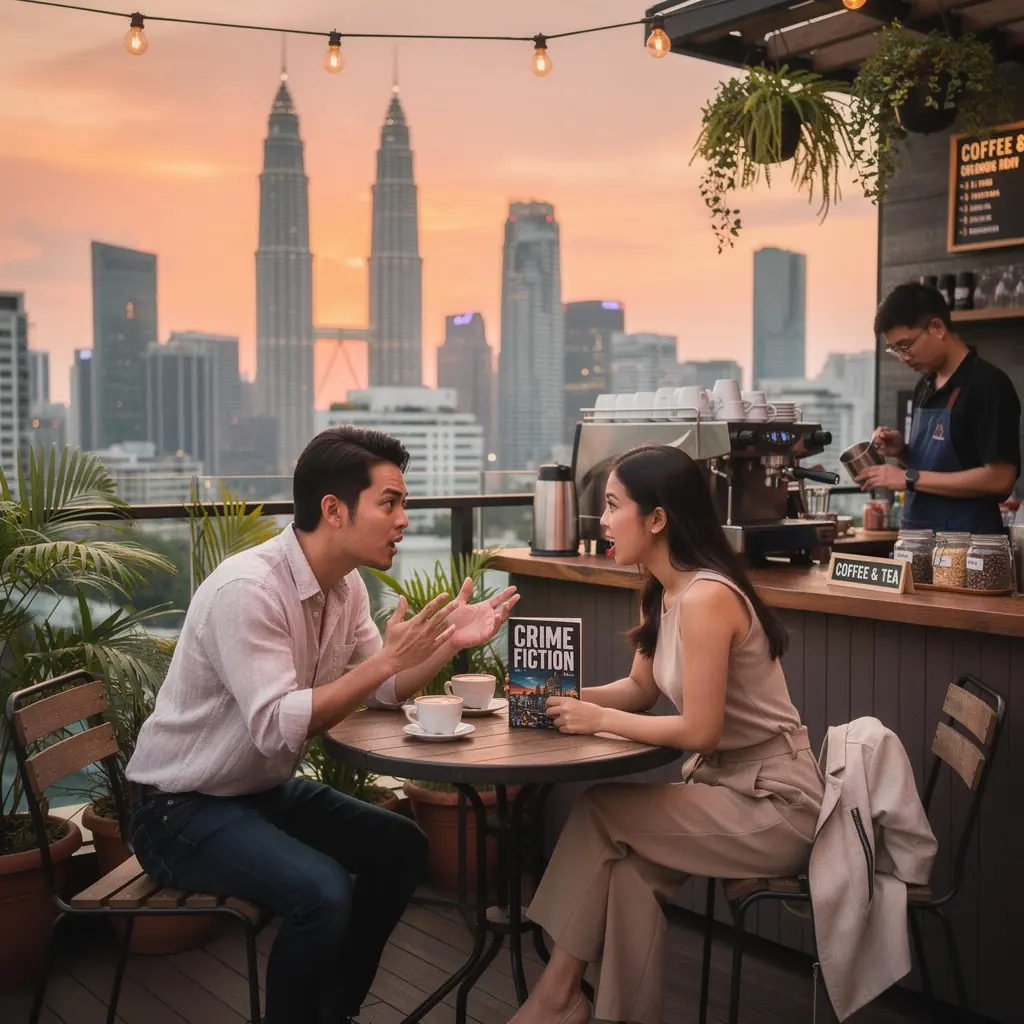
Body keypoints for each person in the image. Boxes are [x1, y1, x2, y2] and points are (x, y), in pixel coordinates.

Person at [126, 426, 518, 1024]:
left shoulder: (345, 587)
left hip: (256, 794)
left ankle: (334, 1010)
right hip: (177, 811)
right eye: (390, 503)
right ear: (334, 510)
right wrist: (389, 659)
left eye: (404, 504)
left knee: (402, 846)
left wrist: (445, 645)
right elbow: (277, 726)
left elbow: (382, 689)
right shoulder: (249, 590)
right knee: (322, 892)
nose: (403, 519)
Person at [509, 444, 824, 1024]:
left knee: (602, 810)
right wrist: (562, 697)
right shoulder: (663, 587)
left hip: (776, 805)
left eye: (611, 506)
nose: (601, 521)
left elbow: (701, 730)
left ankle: (555, 998)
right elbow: (638, 690)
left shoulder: (707, 598)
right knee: (627, 874)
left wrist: (597, 721)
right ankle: (591, 1008)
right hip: (723, 793)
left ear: (657, 519)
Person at [857, 282, 1021, 532]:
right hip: (916, 540)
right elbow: (940, 465)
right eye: (895, 350)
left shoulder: (988, 385)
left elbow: (1000, 478)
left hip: (968, 547)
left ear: (937, 327)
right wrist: (902, 451)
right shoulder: (925, 385)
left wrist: (908, 478)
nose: (903, 357)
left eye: (906, 345)